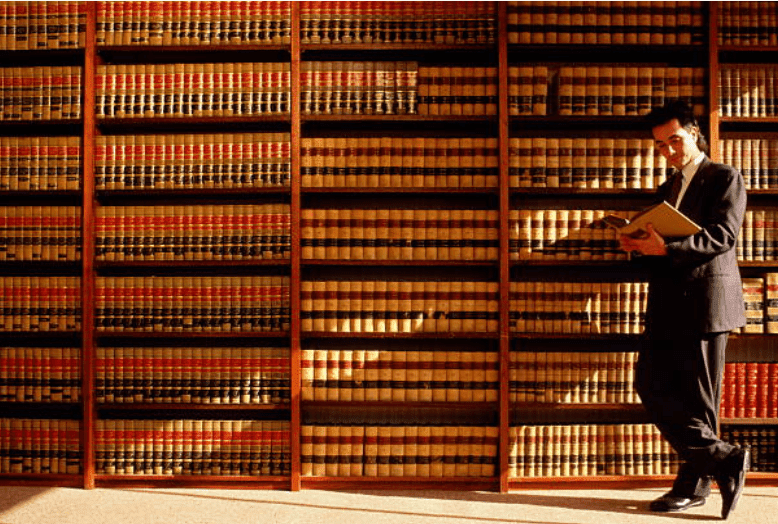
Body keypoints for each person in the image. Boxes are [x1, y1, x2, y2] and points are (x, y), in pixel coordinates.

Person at [618, 99, 749, 519]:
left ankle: (693, 485)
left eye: (674, 140)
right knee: (651, 386)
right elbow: (664, 249)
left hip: (706, 302)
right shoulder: (668, 189)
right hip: (668, 303)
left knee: (698, 401)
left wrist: (666, 246)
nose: (669, 151)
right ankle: (724, 457)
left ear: (694, 133)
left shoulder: (724, 177)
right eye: (660, 146)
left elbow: (723, 237)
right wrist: (638, 246)